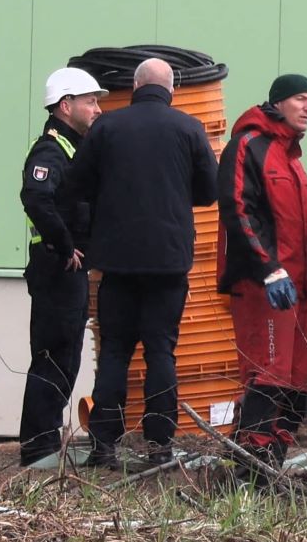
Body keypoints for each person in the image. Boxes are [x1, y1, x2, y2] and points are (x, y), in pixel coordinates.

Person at [66, 58, 218, 468]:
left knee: (115, 350)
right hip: (168, 262)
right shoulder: (189, 128)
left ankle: (103, 445)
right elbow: (210, 191)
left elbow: (76, 184)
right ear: (171, 90)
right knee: (161, 351)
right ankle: (160, 446)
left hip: (116, 262)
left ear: (135, 87)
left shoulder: (107, 128)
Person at [217, 74, 307, 467]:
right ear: (277, 102)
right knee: (268, 374)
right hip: (264, 287)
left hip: (299, 290)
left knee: (297, 380)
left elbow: (301, 230)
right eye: (300, 98)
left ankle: (272, 462)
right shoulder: (248, 146)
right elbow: (238, 209)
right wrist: (269, 269)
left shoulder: (293, 159)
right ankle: (251, 466)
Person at [16, 67, 106, 466]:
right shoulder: (50, 151)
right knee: (54, 355)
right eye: (91, 101)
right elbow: (36, 198)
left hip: (67, 268)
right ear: (65, 106)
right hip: (56, 268)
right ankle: (39, 446)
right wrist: (65, 245)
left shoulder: (73, 149)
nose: (97, 109)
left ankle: (46, 440)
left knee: (66, 355)